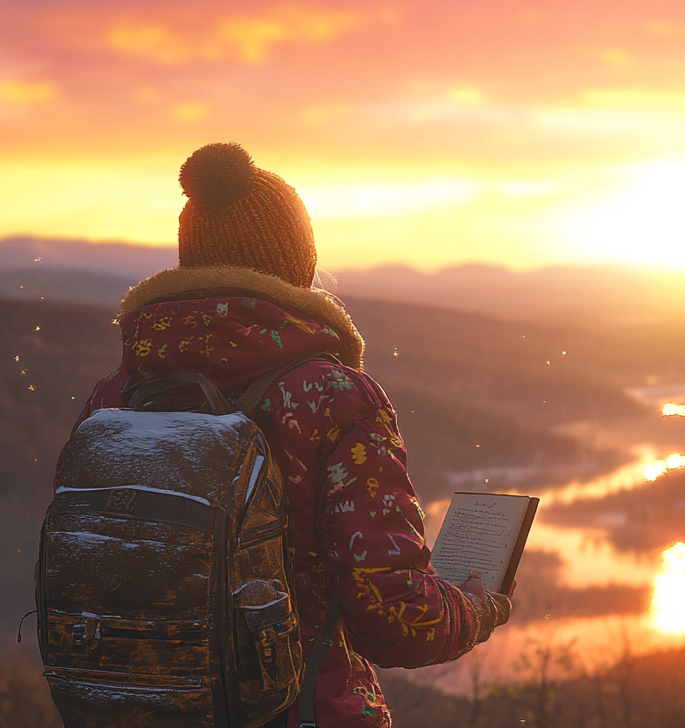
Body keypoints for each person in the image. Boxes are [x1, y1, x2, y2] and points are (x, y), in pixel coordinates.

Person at [59, 142, 511, 727]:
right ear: (296, 262)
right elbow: (396, 621)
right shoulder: (332, 396)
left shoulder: (114, 397)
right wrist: (474, 608)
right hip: (295, 711)